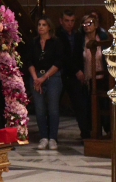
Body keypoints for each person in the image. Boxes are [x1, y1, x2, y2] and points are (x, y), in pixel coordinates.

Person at [26, 16, 64, 150]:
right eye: (39, 24)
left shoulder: (56, 42)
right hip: (36, 76)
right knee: (39, 108)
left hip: (52, 76)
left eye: (44, 25)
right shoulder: (33, 42)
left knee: (53, 108)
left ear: (49, 27)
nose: (41, 27)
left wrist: (44, 77)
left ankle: (53, 138)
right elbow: (29, 61)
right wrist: (36, 78)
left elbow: (58, 62)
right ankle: (43, 137)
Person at [56, 9, 91, 138]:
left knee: (80, 104)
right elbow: (62, 55)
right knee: (54, 106)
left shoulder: (77, 35)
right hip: (60, 73)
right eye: (67, 21)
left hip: (73, 75)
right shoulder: (57, 35)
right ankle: (50, 135)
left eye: (72, 21)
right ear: (61, 21)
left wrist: (80, 71)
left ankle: (85, 134)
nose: (70, 24)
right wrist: (76, 70)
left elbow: (78, 56)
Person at [81, 12, 111, 138]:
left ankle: (108, 129)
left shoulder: (102, 38)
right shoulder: (81, 39)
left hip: (101, 76)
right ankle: (92, 131)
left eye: (89, 23)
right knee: (88, 106)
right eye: (84, 24)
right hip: (86, 78)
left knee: (103, 103)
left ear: (96, 25)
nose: (87, 26)